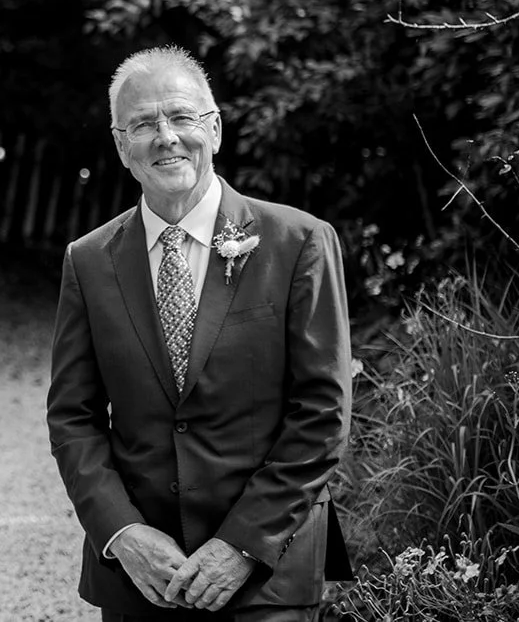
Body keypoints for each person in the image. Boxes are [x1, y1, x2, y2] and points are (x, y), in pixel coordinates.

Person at [46, 46, 353, 620]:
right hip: (141, 576)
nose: (166, 136)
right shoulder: (88, 261)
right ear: (121, 146)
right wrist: (123, 534)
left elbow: (323, 409)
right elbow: (73, 417)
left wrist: (241, 545)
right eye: (142, 124)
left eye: (181, 117)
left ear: (213, 129)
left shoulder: (300, 242)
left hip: (269, 567)